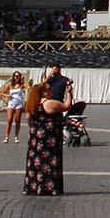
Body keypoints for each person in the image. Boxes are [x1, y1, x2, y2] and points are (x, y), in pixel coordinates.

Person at [23, 67, 69, 197]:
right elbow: (66, 106)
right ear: (44, 92)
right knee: (49, 161)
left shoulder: (32, 103)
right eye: (50, 89)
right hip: (49, 137)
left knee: (35, 161)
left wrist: (34, 129)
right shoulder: (49, 103)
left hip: (35, 137)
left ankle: (33, 186)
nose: (52, 90)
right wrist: (70, 93)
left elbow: (28, 118)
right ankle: (49, 187)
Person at [1, 71, 27, 143]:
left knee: (17, 120)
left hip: (19, 103)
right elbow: (2, 93)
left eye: (18, 76)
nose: (17, 77)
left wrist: (30, 85)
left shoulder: (22, 85)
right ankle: (7, 136)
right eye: (16, 76)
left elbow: (28, 87)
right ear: (13, 77)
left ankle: (16, 136)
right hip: (11, 103)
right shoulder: (10, 85)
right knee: (9, 120)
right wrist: (8, 96)